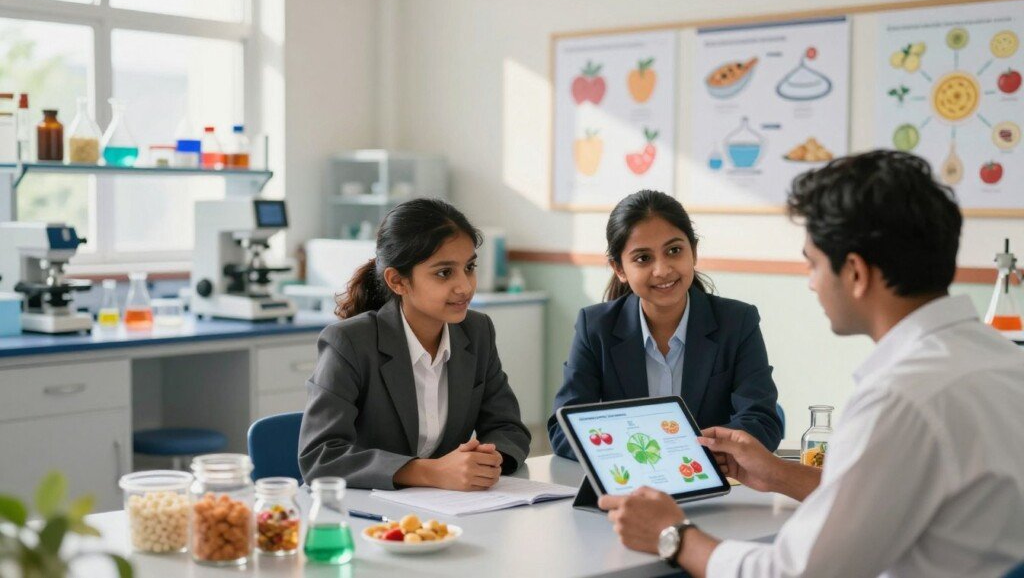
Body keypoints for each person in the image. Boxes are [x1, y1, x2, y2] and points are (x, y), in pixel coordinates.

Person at [598, 150, 1024, 577]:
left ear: (855, 273)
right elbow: (884, 496)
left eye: (813, 263)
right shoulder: (1004, 361)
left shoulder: (901, 398)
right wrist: (783, 476)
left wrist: (673, 535)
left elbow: (793, 574)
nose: (811, 282)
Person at [298, 198, 531, 490]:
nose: (466, 286)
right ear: (398, 281)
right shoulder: (350, 342)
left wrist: (488, 460)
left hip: (448, 510)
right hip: (368, 514)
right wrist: (429, 472)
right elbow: (320, 457)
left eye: (469, 267)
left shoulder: (477, 330)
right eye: (444, 272)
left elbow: (507, 427)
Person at [548, 190, 783, 458]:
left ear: (693, 252)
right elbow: (563, 429)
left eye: (674, 251)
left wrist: (689, 452)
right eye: (643, 258)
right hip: (630, 486)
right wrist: (650, 451)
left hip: (712, 483)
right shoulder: (595, 327)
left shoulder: (738, 321)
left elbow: (762, 422)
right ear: (619, 269)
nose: (662, 270)